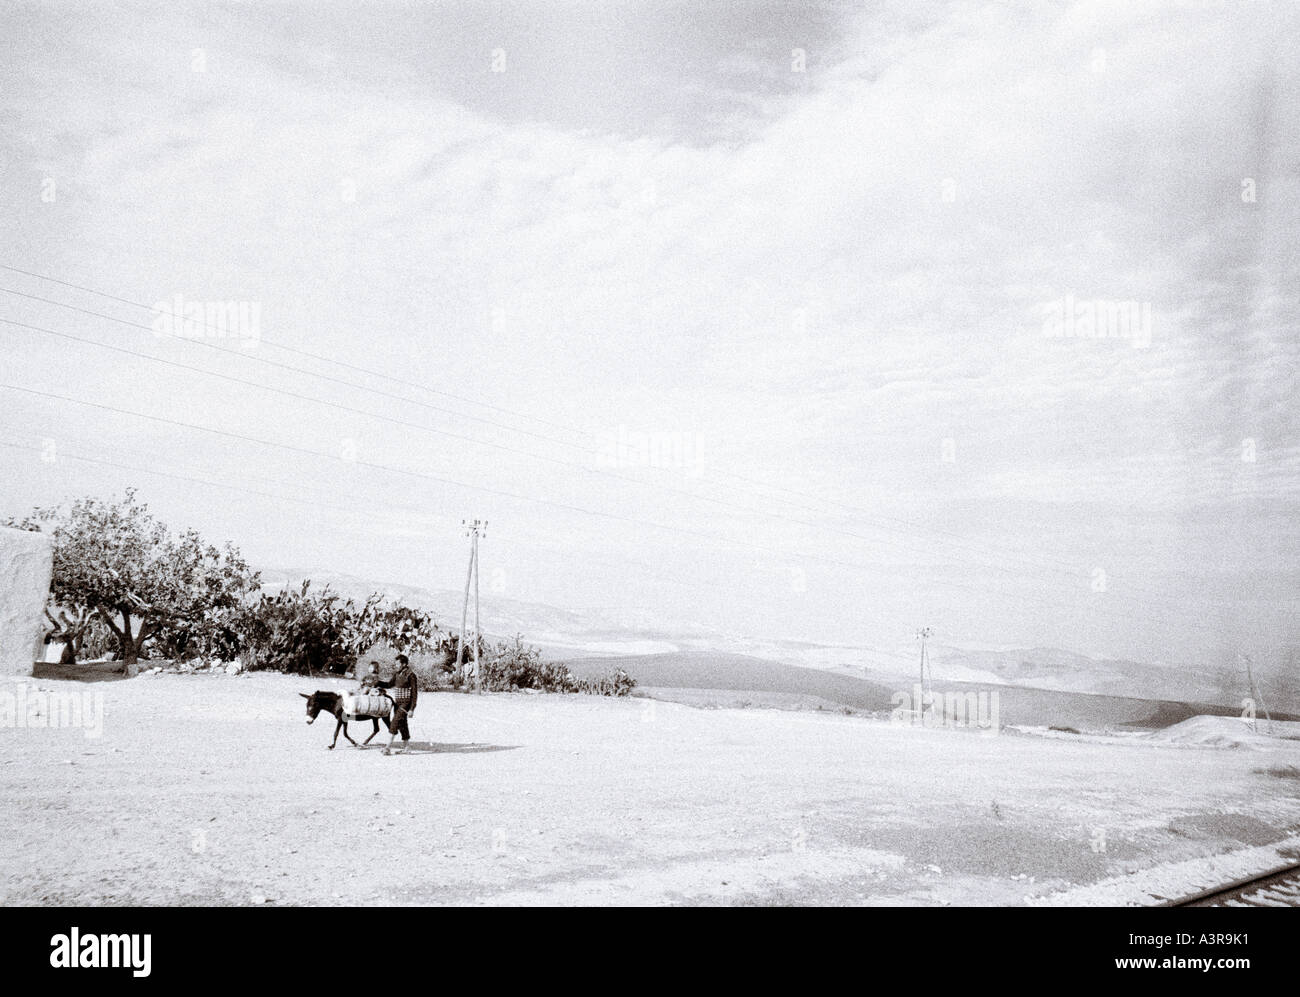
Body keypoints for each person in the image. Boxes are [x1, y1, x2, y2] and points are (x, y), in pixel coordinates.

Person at [378, 654, 418, 755]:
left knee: (394, 723)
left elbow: (414, 693)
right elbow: (389, 685)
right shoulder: (397, 674)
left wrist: (412, 709)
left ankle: (387, 747)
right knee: (402, 725)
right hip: (397, 703)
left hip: (406, 704)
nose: (396, 665)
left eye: (397, 663)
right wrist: (376, 682)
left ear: (404, 664)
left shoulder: (411, 675)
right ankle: (407, 748)